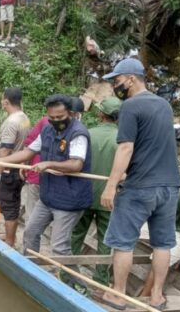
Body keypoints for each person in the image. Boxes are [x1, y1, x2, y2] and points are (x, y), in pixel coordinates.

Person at [99, 58, 180, 310]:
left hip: (141, 187)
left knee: (123, 241)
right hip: (170, 187)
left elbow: (126, 147)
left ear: (131, 79)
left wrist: (111, 185)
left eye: (117, 80)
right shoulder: (164, 105)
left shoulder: (130, 107)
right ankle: (156, 295)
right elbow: (153, 145)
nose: (116, 85)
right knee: (163, 243)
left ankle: (118, 294)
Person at [0, 94, 92, 292]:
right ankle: (31, 272)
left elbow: (76, 163)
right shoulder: (46, 129)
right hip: (48, 196)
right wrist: (0, 161)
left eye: (60, 118)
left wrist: (49, 163)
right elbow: (28, 152)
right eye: (52, 117)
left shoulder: (78, 133)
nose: (55, 122)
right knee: (30, 232)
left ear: (70, 113)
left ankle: (76, 285)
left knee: (59, 246)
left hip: (70, 199)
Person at [71, 96, 121, 286]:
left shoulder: (87, 133)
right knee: (105, 241)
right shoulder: (123, 141)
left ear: (101, 114)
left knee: (76, 234)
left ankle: (67, 272)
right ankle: (100, 280)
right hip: (109, 199)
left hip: (83, 195)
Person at [0, 88, 31, 248]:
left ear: (6, 101)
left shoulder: (11, 122)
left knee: (8, 204)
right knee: (14, 201)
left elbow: (5, 150)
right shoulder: (24, 118)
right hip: (18, 168)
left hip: (8, 169)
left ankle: (10, 241)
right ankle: (10, 237)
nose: (1, 103)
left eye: (2, 100)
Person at [20, 115, 48, 221]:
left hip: (40, 177)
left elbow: (29, 143)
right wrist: (23, 164)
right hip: (38, 175)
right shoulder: (46, 122)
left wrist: (23, 164)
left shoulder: (45, 121)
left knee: (32, 210)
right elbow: (29, 145)